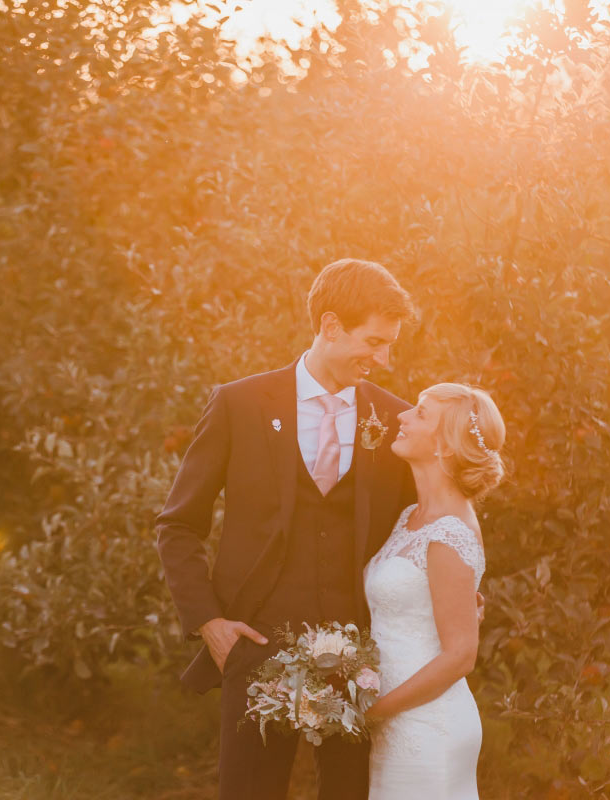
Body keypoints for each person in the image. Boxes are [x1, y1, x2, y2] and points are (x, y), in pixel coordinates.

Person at [155, 257, 418, 800]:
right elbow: (178, 524)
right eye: (374, 341)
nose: (383, 359)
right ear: (329, 326)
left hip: (360, 661)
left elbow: (420, 528)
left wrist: (463, 587)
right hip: (253, 648)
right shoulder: (240, 404)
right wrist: (209, 623)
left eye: (390, 345)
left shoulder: (395, 419)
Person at [363, 383, 506, 799]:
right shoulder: (412, 515)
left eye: (420, 413)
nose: (402, 417)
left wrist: (374, 713)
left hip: (426, 727)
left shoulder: (448, 531)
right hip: (399, 721)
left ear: (444, 444)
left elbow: (461, 654)